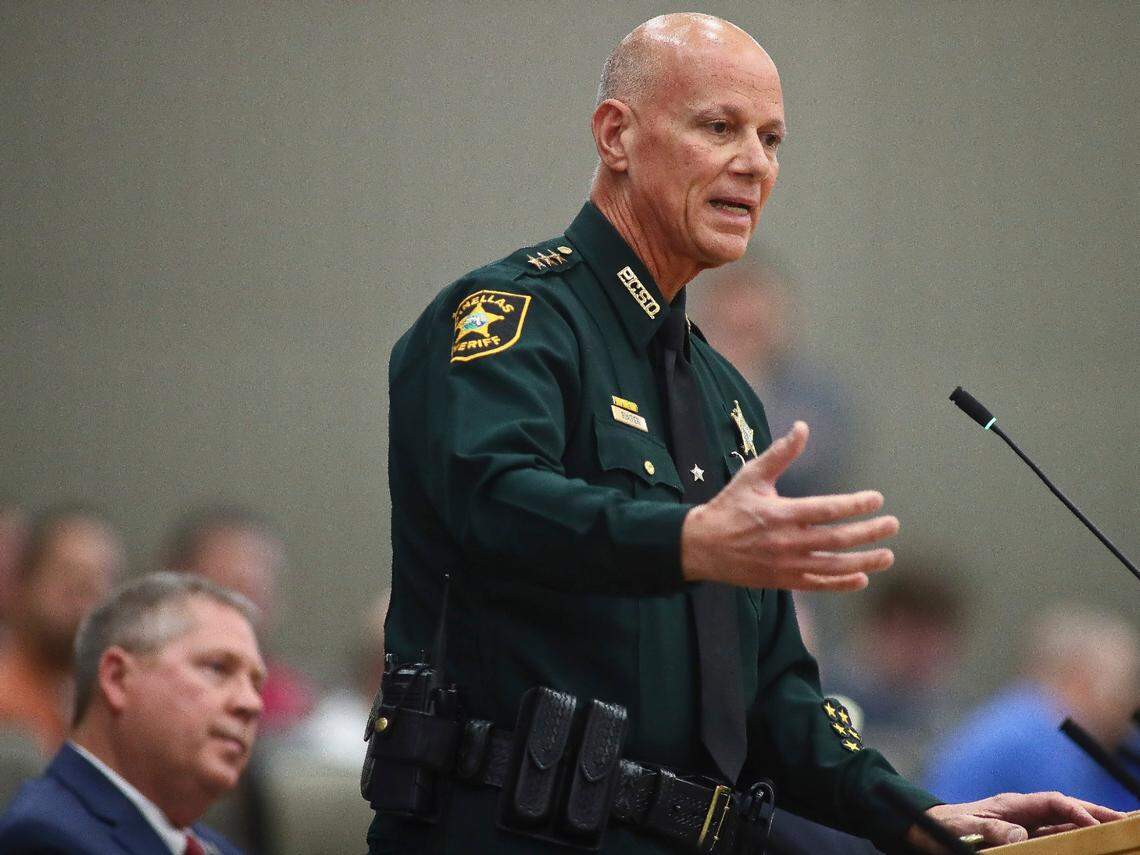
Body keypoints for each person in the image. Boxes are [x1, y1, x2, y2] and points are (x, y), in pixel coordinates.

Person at [374, 13, 1124, 854]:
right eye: (719, 127)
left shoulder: (727, 396)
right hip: (503, 832)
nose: (754, 163)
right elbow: (493, 505)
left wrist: (910, 814)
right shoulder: (514, 320)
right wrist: (689, 538)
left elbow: (772, 693)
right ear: (616, 135)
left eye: (771, 139)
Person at [0, 572, 265, 854]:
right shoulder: (47, 838)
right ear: (117, 678)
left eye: (256, 683)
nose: (252, 703)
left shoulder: (216, 848)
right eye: (217, 668)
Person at [924, 604, 1140, 811]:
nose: (1130, 701)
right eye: (1122, 686)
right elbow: (1088, 834)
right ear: (1081, 679)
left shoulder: (1018, 715)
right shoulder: (1042, 739)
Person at [164, 505, 314, 731]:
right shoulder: (151, 677)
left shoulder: (289, 700)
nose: (254, 582)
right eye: (235, 583)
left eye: (265, 574)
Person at [0, 504, 123, 754]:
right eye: (69, 577)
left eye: (99, 582)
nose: (84, 599)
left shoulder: (107, 709)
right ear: (21, 583)